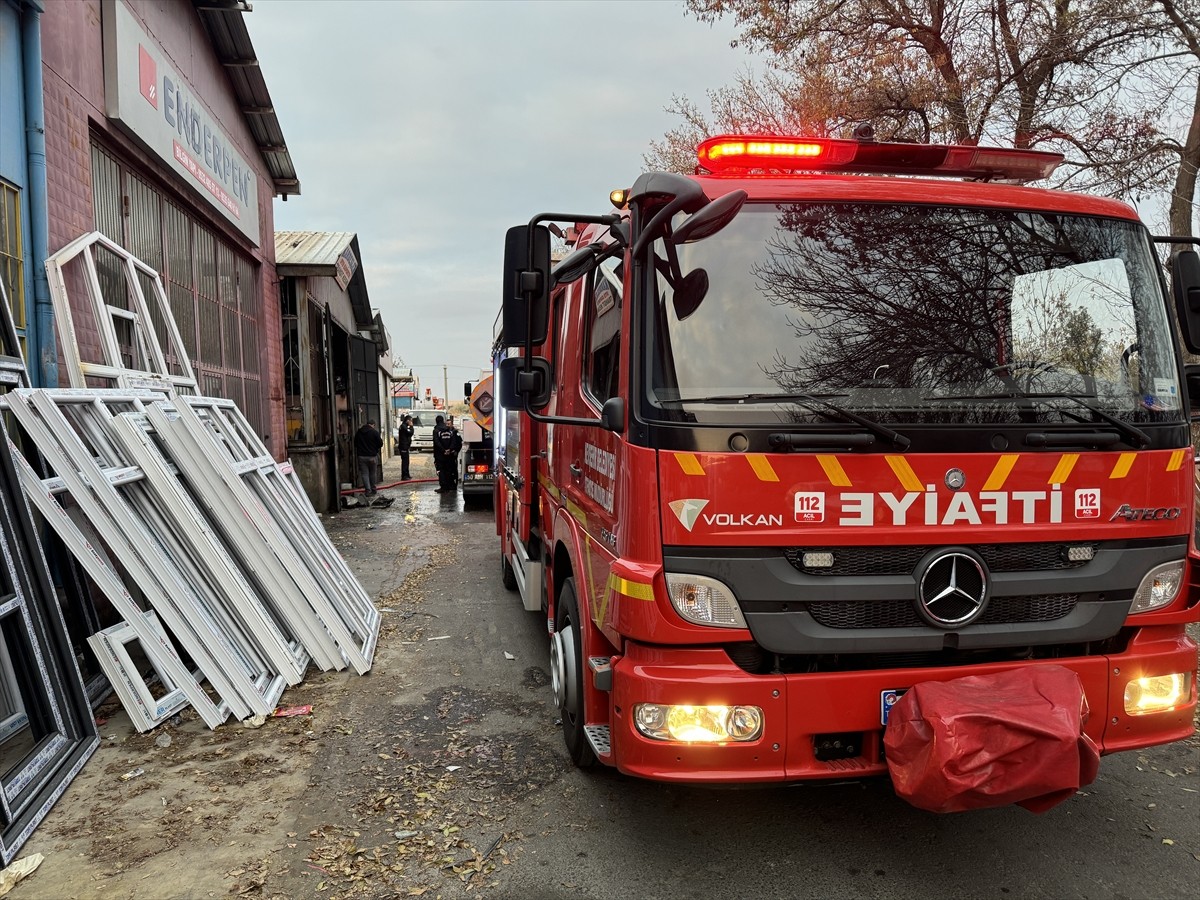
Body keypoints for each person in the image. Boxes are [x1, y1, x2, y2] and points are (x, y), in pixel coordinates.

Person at [353, 418, 384, 504]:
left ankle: (367, 490)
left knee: (364, 474)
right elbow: (380, 444)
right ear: (373, 425)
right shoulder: (374, 432)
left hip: (361, 456)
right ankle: (373, 489)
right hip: (372, 457)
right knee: (372, 473)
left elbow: (355, 443)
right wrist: (374, 448)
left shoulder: (359, 432)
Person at [432, 414, 462, 492]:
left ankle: (444, 487)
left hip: (440, 455)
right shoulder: (449, 430)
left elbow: (437, 442)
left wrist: (443, 450)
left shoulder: (436, 430)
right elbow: (453, 441)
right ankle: (450, 485)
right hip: (449, 455)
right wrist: (449, 450)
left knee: (441, 470)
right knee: (449, 470)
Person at [396, 414, 413, 481]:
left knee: (407, 461)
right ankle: (404, 476)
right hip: (403, 447)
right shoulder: (403, 427)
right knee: (405, 462)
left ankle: (407, 474)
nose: (411, 422)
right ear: (407, 420)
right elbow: (410, 433)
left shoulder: (404, 426)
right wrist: (411, 427)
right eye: (410, 421)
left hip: (405, 446)